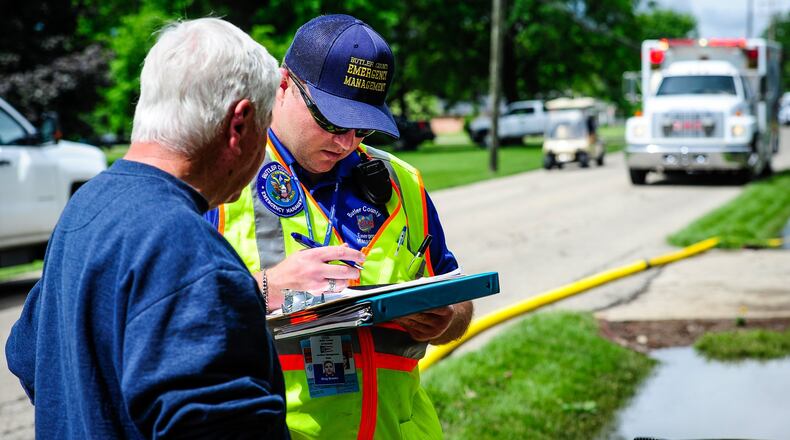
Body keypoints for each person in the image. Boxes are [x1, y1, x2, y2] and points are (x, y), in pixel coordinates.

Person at [5, 18, 289, 439]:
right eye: (266, 128)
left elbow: (27, 353)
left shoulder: (87, 204)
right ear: (240, 125)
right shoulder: (188, 252)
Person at [205, 14, 473, 439]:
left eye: (363, 126)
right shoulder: (220, 180)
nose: (346, 141)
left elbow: (457, 302)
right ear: (282, 84)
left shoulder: (403, 182)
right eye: (330, 121)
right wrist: (263, 289)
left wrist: (447, 318)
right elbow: (170, 318)